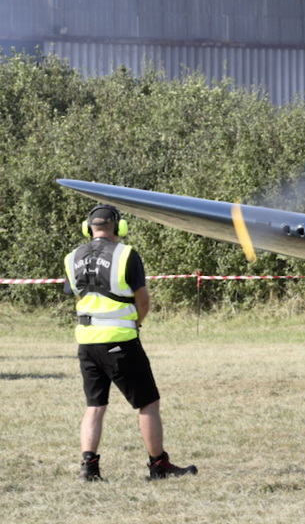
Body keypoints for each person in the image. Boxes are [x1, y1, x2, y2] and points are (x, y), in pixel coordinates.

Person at [65, 204, 196, 481]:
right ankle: (158, 465)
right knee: (148, 403)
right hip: (120, 340)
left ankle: (89, 468)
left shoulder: (72, 257)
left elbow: (79, 297)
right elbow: (144, 302)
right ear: (119, 227)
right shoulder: (125, 254)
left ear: (88, 228)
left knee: (95, 405)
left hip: (86, 342)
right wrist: (135, 323)